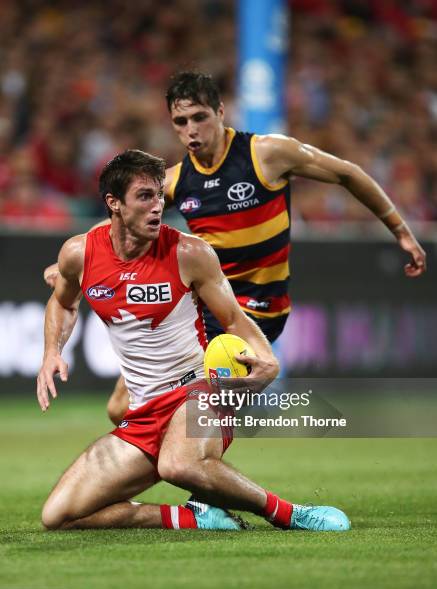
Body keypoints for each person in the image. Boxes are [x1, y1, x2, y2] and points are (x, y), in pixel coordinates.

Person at [44, 71, 426, 425]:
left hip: (259, 311)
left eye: (199, 117)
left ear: (221, 112)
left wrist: (401, 231)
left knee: (196, 409)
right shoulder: (177, 180)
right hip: (208, 307)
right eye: (180, 122)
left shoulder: (266, 155)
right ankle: (193, 473)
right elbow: (122, 215)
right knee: (120, 409)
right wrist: (73, 262)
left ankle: (200, 485)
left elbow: (347, 172)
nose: (191, 130)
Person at [37, 149, 350, 532]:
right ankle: (193, 517)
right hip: (144, 411)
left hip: (197, 390)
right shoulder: (79, 253)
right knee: (59, 517)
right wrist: (52, 351)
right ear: (113, 204)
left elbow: (234, 318)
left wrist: (268, 359)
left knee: (178, 464)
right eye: (144, 197)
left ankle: (290, 514)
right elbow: (62, 304)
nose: (157, 207)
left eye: (158, 195)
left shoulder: (190, 252)